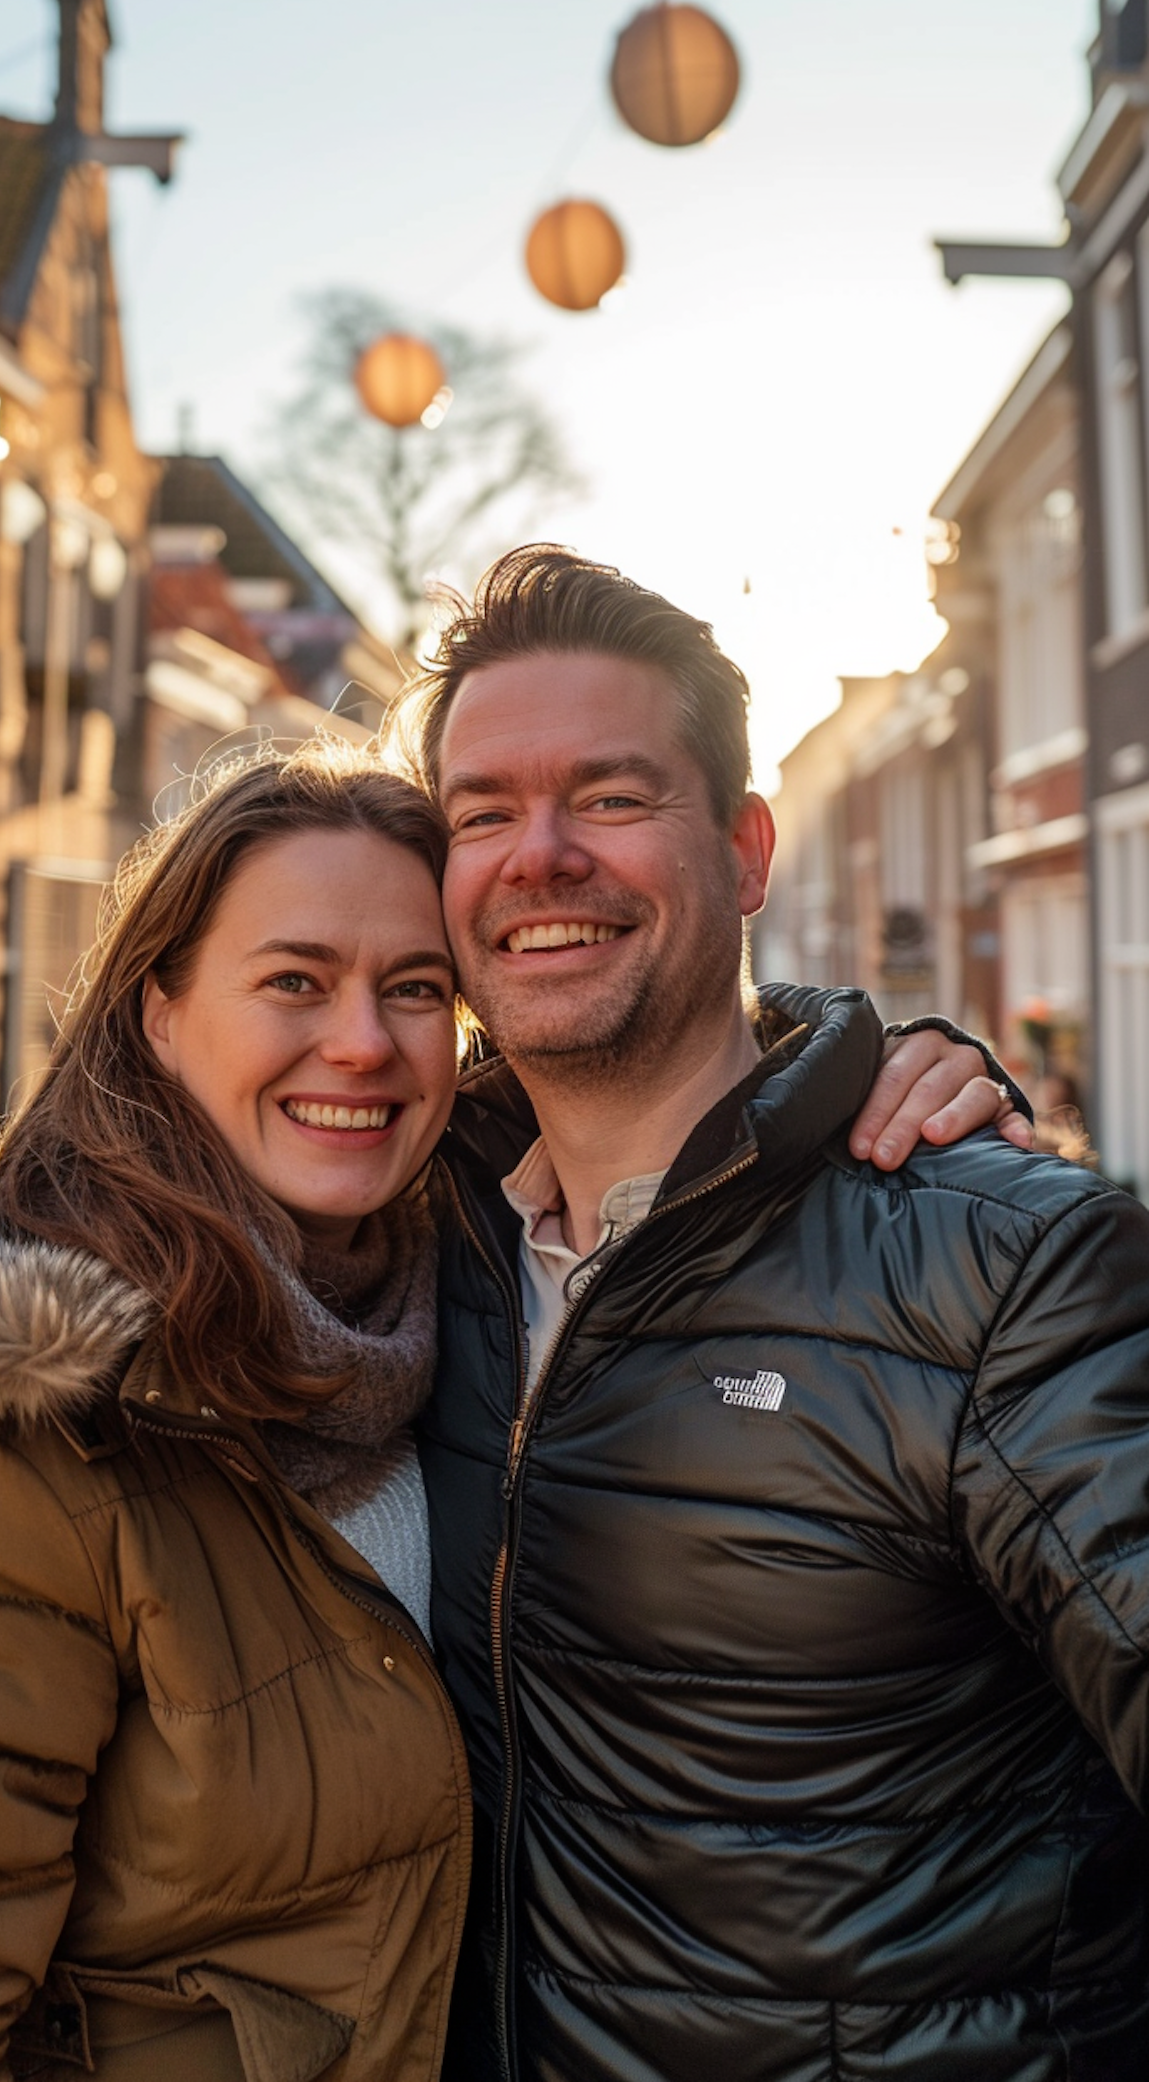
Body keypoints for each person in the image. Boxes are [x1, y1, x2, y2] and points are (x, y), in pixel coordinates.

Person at [0, 737, 1004, 2082]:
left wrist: (882, 1081)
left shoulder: (464, 1292)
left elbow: (658, 1073)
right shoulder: (37, 1452)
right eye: (294, 979)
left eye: (413, 987)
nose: (359, 1041)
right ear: (160, 1011)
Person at [399, 545, 1149, 2082]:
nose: (538, 856)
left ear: (746, 853)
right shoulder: (401, 1251)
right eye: (483, 812)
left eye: (610, 796)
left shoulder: (1006, 1271)